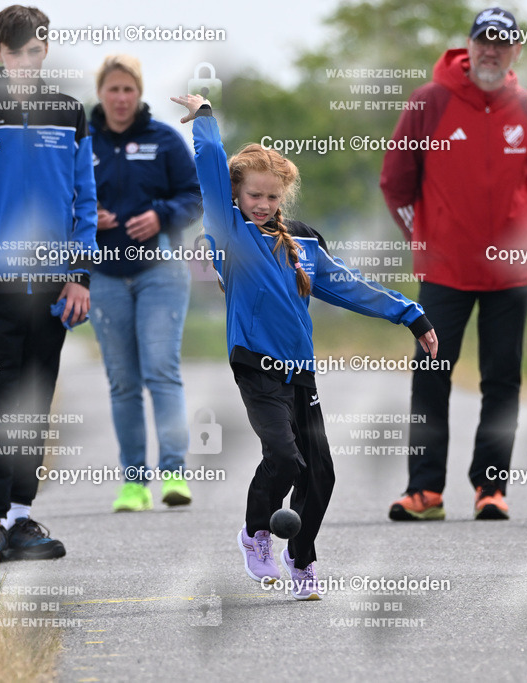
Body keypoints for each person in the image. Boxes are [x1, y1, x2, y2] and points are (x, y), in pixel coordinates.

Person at [171, 93, 438, 600]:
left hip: (301, 374)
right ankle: (255, 533)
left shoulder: (305, 246)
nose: (264, 205)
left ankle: (301, 558)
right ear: (236, 195)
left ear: (283, 198)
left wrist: (411, 314)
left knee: (321, 476)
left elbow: (354, 286)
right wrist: (205, 119)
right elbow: (209, 169)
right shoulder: (229, 233)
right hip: (256, 368)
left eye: (273, 198)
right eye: (254, 195)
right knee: (285, 459)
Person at [380, 7, 527, 522]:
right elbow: (395, 182)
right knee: (431, 373)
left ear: (516, 51)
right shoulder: (429, 103)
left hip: (510, 271)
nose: (491, 51)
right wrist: (429, 238)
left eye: (502, 43)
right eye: (484, 41)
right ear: (469, 45)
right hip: (445, 270)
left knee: (503, 379)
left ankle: (491, 489)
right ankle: (425, 491)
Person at [0, 5, 97, 563]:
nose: (25, 63)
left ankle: (19, 518)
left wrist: (79, 275)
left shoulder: (69, 113)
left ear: (45, 50)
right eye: (15, 54)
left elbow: (84, 199)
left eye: (34, 52)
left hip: (54, 289)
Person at [87, 54, 202, 512]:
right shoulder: (82, 142)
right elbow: (59, 199)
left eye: (128, 89)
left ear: (139, 93)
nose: (120, 98)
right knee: (122, 382)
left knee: (161, 369)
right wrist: (85, 218)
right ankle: (133, 482)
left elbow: (194, 198)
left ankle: (173, 473)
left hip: (161, 269)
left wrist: (160, 215)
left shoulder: (165, 140)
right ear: (100, 93)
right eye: (112, 89)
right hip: (104, 275)